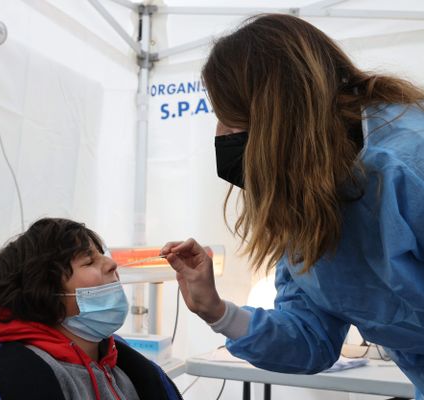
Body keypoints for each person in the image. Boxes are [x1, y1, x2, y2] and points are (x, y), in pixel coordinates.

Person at [161, 13, 424, 398]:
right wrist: (218, 312)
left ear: (277, 113)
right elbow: (311, 338)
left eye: (233, 122)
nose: (222, 136)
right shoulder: (307, 195)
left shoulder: (408, 161)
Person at [0, 217, 182, 400]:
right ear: (45, 292)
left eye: (103, 255)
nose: (111, 264)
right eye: (89, 261)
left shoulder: (119, 365)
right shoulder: (14, 378)